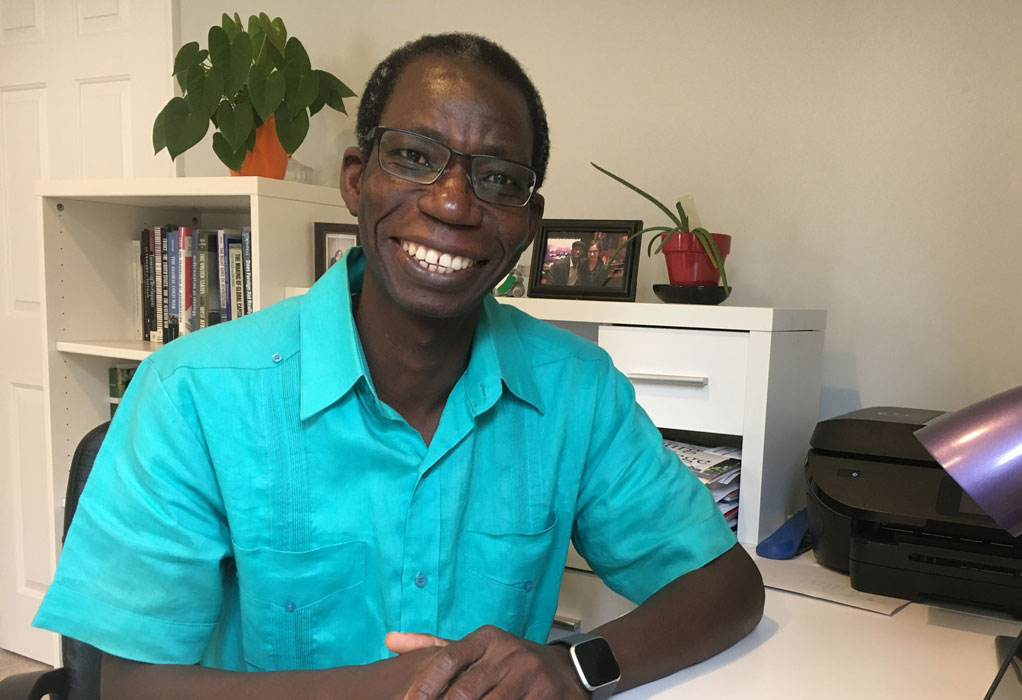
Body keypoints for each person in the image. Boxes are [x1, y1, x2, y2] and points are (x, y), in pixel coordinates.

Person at [33, 32, 763, 700]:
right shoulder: (191, 394)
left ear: (528, 225)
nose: (452, 203)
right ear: (357, 180)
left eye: (499, 179)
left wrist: (572, 665)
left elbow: (728, 587)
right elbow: (131, 687)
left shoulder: (577, 391)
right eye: (414, 156)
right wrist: (393, 687)